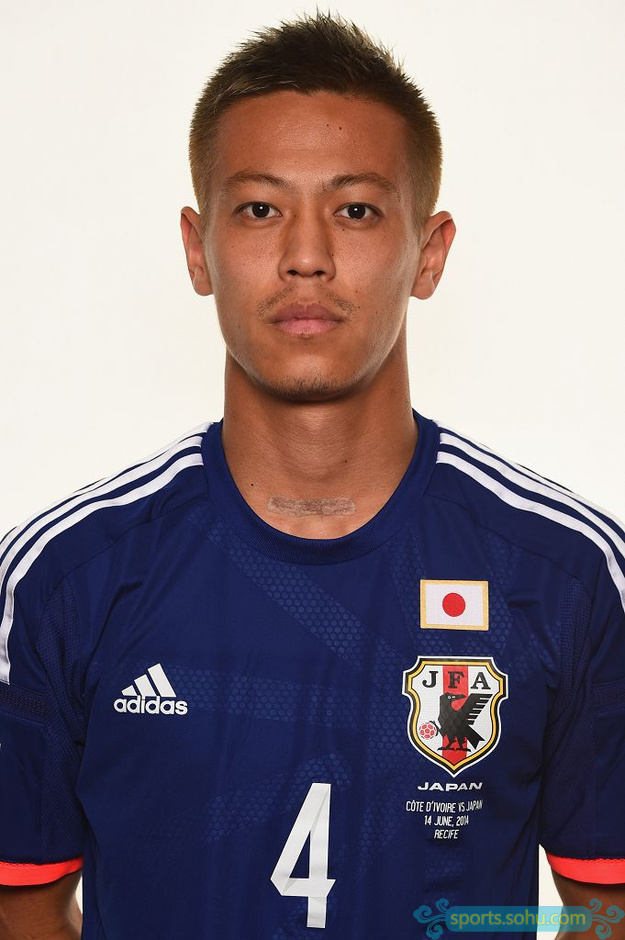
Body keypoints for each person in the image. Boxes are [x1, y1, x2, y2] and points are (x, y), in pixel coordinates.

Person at [0, 12, 623, 939]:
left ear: (428, 253)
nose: (305, 256)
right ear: (197, 249)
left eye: (356, 210)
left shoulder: (564, 574)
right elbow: (26, 906)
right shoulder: (67, 577)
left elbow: (603, 911)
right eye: (259, 209)